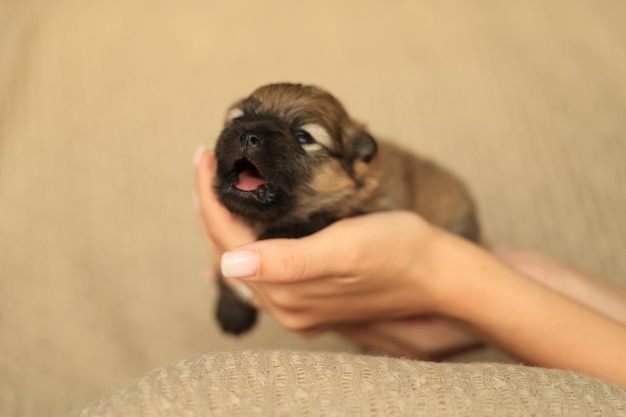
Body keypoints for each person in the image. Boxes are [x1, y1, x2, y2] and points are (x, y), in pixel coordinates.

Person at [194, 149, 626, 388]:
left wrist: (452, 279)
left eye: (304, 139)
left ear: (361, 167)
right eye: (240, 116)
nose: (251, 140)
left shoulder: (377, 188)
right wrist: (534, 277)